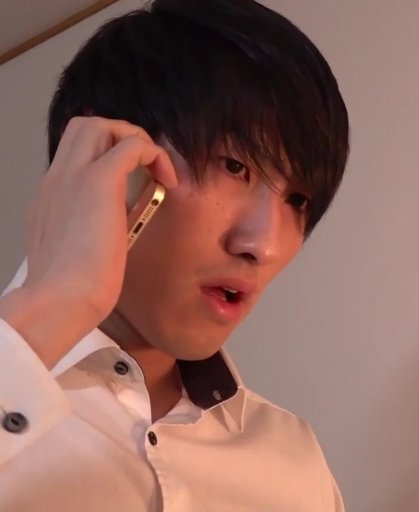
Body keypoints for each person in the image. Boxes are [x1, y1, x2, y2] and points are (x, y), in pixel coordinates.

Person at [0, 0, 349, 510]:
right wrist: (53, 306)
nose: (265, 246)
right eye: (235, 167)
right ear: (108, 155)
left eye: (298, 201)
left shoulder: (294, 463)